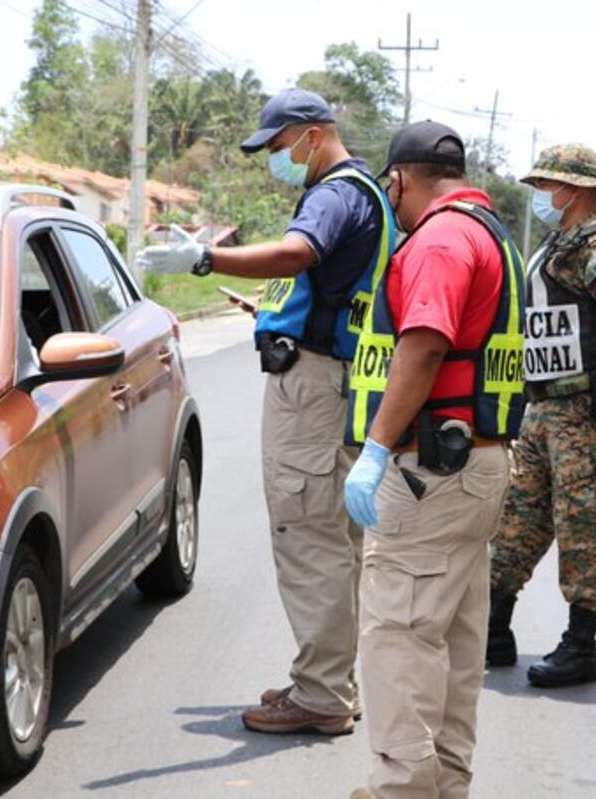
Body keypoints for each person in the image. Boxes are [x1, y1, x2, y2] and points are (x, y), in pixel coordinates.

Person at [138, 87, 396, 736]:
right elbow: (325, 288)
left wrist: (206, 258)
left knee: (308, 537)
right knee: (335, 540)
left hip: (314, 390)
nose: (276, 159)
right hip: (338, 379)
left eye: (279, 145)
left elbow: (296, 253)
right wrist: (271, 314)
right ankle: (330, 681)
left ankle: (322, 695)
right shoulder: (365, 191)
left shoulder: (334, 193)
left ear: (313, 134)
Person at [342, 120, 526, 798]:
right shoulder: (490, 234)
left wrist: (374, 450)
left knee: (398, 638)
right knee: (451, 641)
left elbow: (422, 348)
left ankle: (401, 789)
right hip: (473, 466)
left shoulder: (442, 239)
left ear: (399, 180)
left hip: (431, 472)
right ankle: (444, 785)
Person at [485, 144, 596, 687]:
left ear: (575, 190)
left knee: (581, 521)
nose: (540, 196)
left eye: (546, 186)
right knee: (518, 515)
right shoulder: (557, 245)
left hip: (582, 409)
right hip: (542, 405)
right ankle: (493, 626)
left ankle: (582, 645)